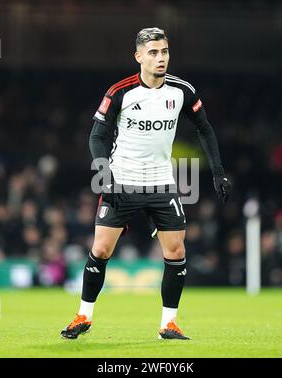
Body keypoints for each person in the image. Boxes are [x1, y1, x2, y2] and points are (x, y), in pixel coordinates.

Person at [61, 27, 231, 340]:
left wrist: (218, 171)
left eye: (164, 51)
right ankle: (82, 316)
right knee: (100, 249)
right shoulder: (121, 91)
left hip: (162, 183)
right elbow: (97, 135)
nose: (160, 58)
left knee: (176, 250)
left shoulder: (182, 91)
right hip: (122, 181)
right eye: (153, 52)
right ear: (139, 57)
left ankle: (169, 324)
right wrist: (104, 173)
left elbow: (205, 129)